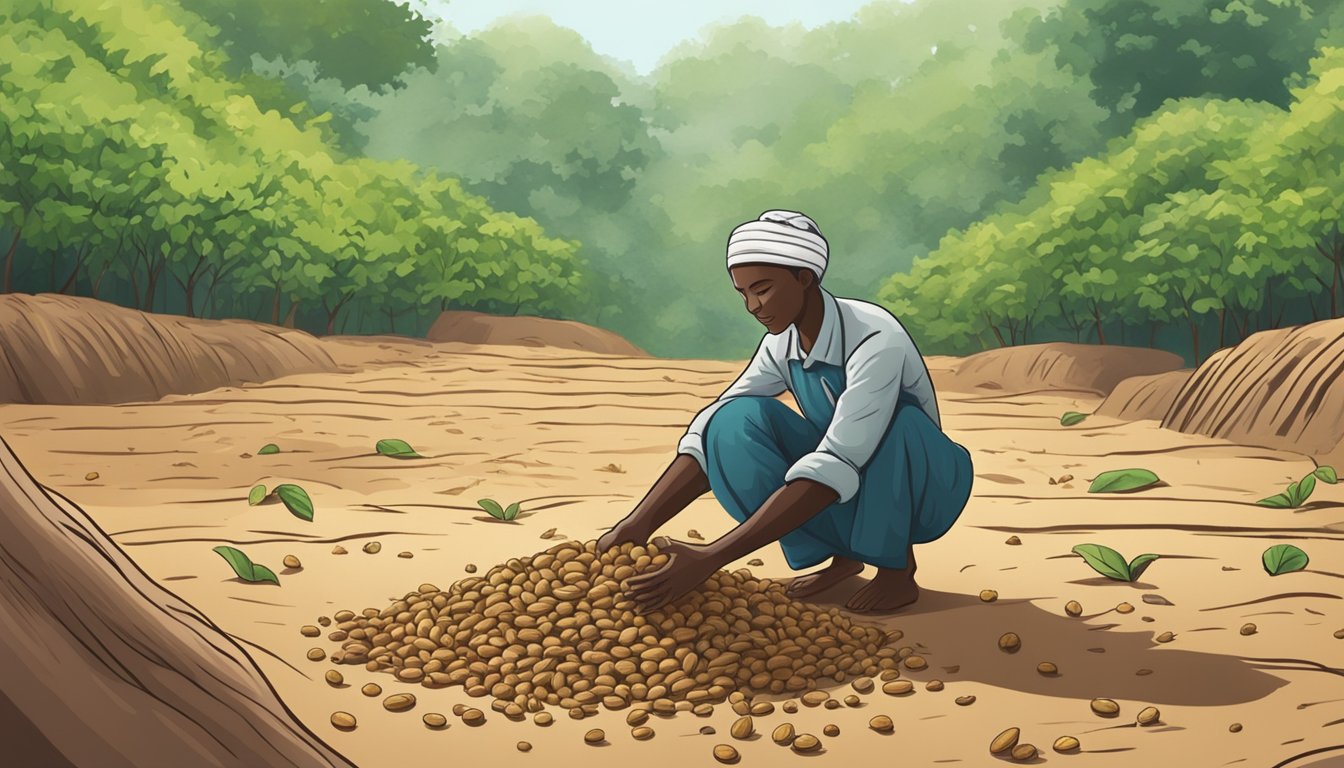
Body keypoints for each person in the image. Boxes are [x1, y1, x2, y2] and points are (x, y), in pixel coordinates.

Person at [600, 209, 974, 613]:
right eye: (743, 293)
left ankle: (896, 572)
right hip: (852, 481)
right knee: (731, 422)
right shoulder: (782, 343)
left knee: (899, 425)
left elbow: (841, 455)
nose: (752, 306)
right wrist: (638, 523)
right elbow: (710, 431)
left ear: (804, 277)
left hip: (923, 485)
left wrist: (712, 557)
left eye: (762, 289)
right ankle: (842, 555)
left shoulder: (875, 335)